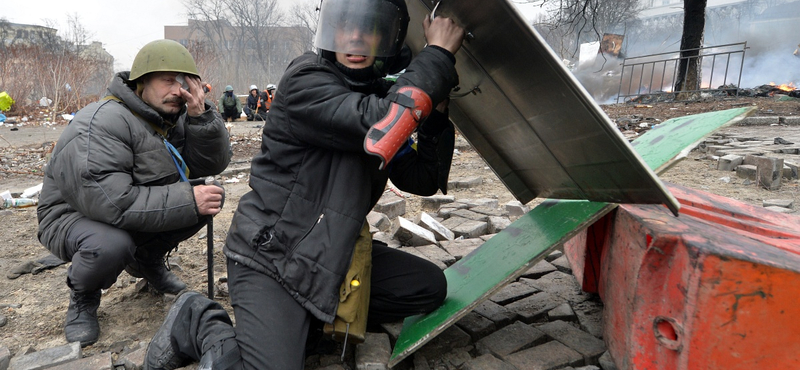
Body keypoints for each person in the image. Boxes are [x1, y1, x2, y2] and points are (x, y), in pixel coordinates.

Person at [144, 0, 465, 368]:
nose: (355, 38)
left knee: (427, 287)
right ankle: (197, 319)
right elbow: (383, 124)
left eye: (368, 28)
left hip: (331, 253)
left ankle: (305, 320)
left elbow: (420, 178)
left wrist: (435, 108)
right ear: (329, 31)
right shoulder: (306, 80)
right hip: (272, 257)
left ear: (387, 37)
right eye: (345, 27)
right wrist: (437, 55)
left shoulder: (375, 96)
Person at [36, 39, 231, 348]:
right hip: (73, 215)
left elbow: (212, 164)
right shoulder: (102, 121)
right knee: (110, 244)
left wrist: (200, 115)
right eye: (168, 81)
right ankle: (84, 295)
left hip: (123, 208)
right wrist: (186, 199)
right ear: (142, 83)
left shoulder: (171, 117)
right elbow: (113, 203)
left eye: (183, 82)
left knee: (206, 196)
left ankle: (146, 260)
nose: (177, 90)